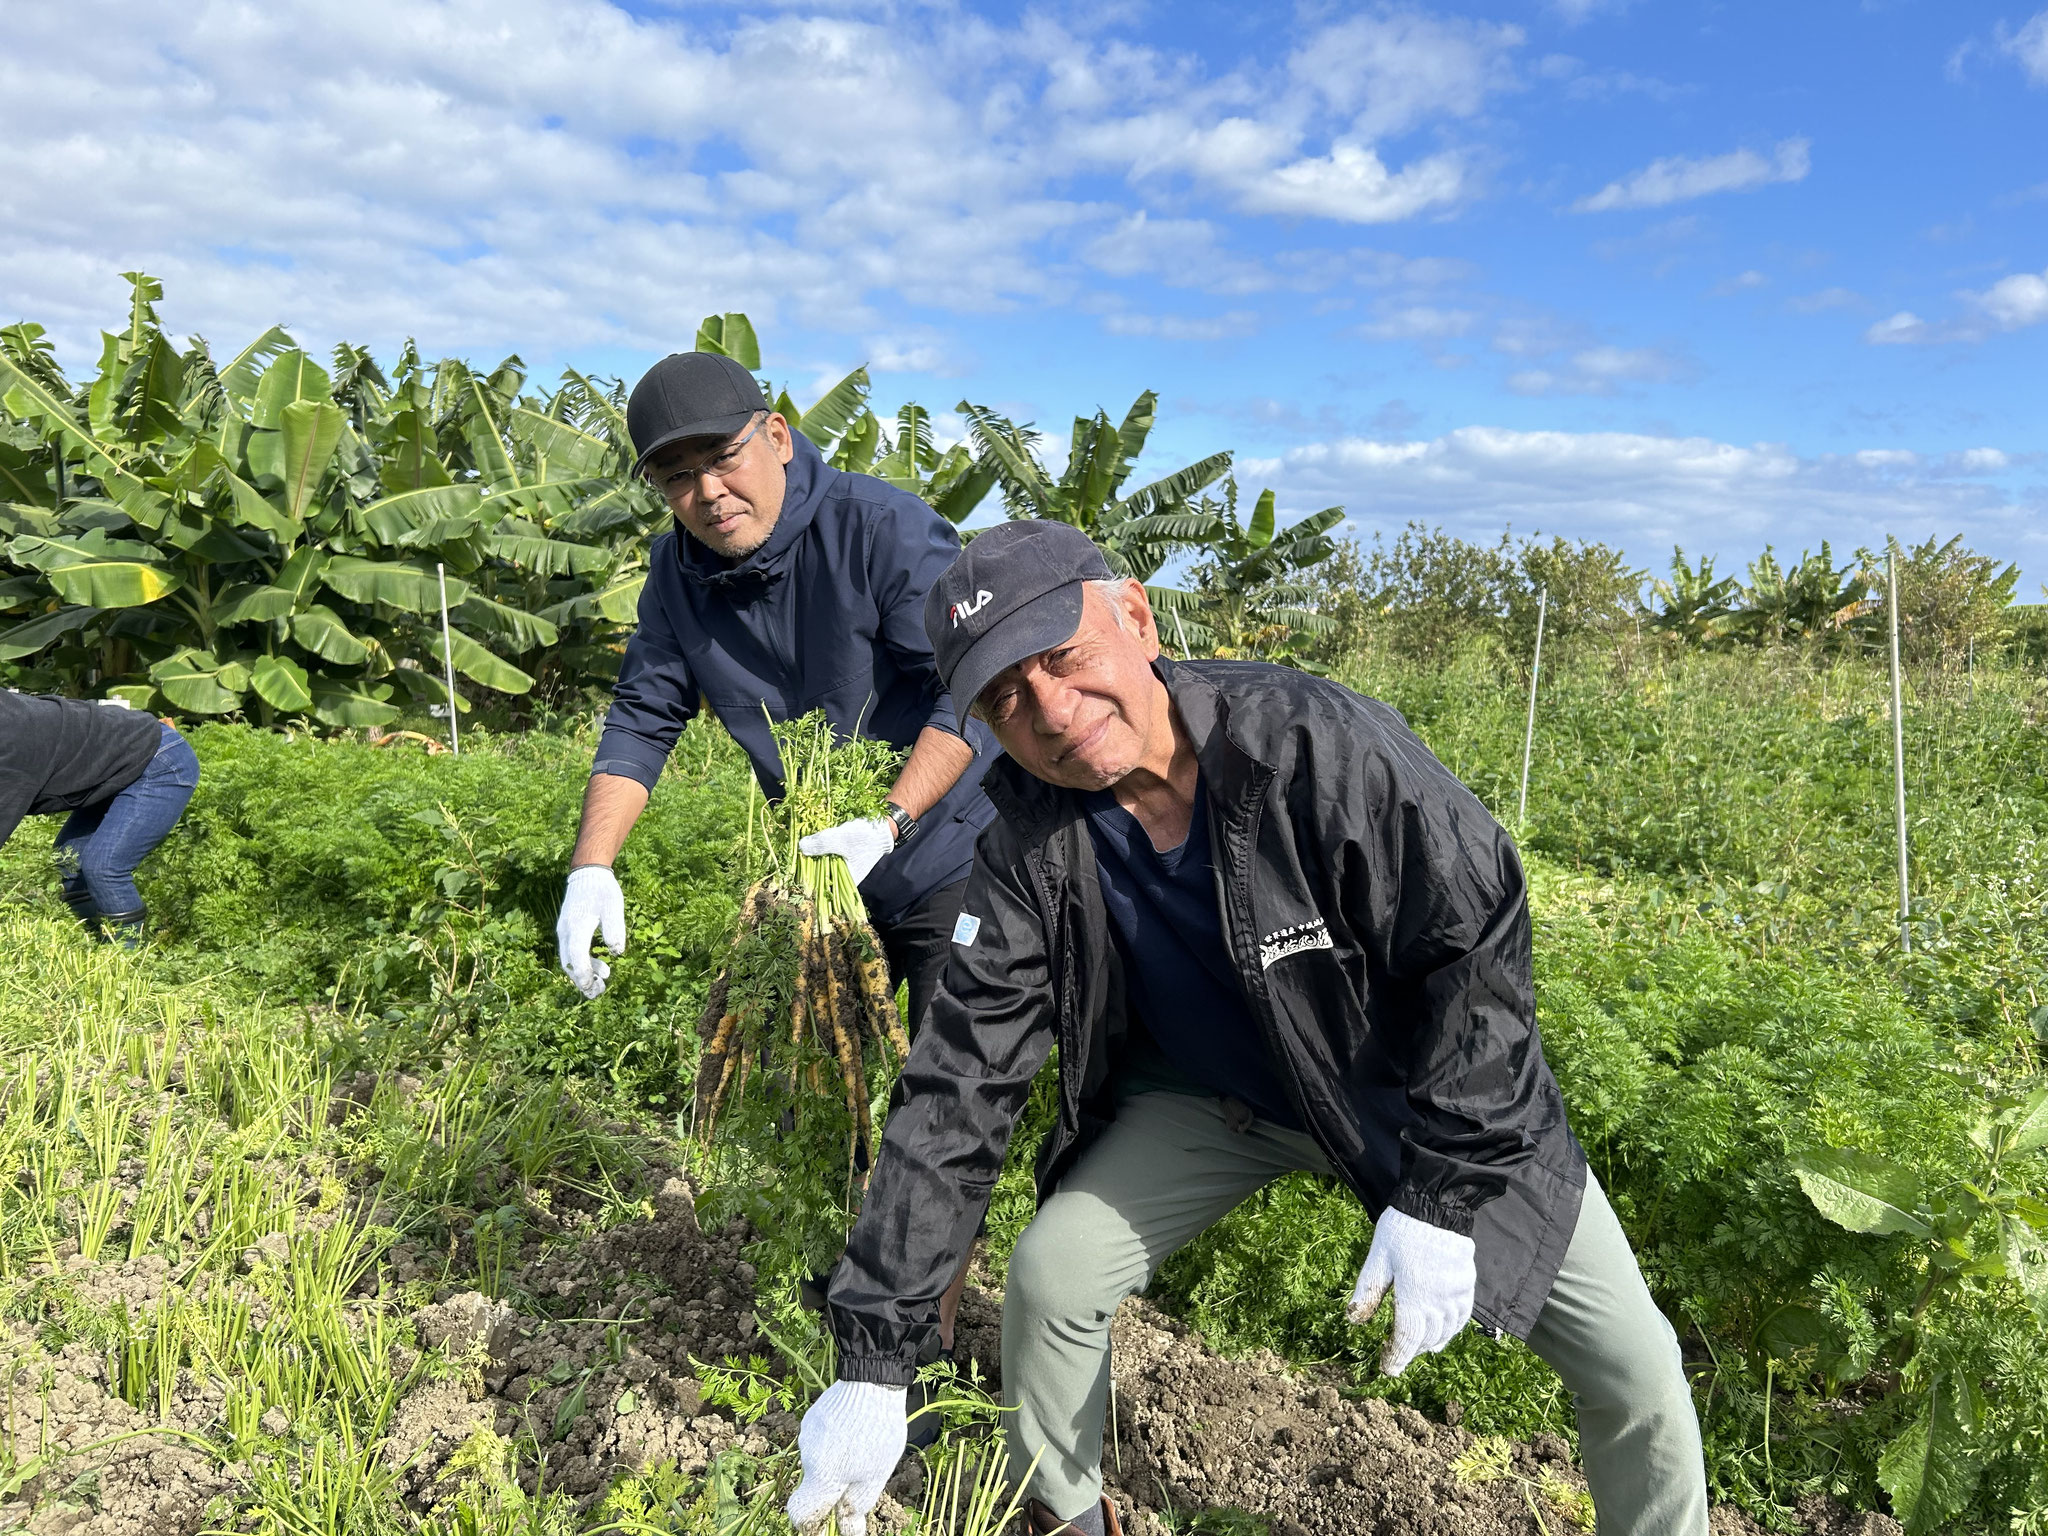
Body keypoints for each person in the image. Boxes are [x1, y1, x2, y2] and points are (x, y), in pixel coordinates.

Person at [785, 521, 1710, 1536]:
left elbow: (1471, 948)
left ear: (1133, 616)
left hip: (1404, 1096)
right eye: (1004, 697)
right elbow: (956, 1083)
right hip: (1209, 1102)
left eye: (1062, 656)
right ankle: (1061, 1516)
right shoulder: (1028, 842)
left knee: (1634, 1371)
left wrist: (1443, 1188)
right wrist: (873, 1363)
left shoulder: (1312, 745)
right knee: (1052, 1277)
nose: (1049, 710)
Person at [551, 348, 999, 1351]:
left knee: (941, 1104)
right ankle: (835, 1264)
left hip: (946, 855)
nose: (707, 493)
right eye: (675, 477)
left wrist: (888, 822)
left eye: (722, 459)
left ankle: (907, 1340)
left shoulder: (878, 530)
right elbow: (642, 715)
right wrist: (591, 866)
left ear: (777, 438)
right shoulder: (676, 573)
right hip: (817, 876)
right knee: (818, 1080)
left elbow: (964, 691)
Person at [0, 692, 201, 944]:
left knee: (103, 867)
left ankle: (124, 962)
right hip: (113, 765)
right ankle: (93, 942)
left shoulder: (10, 752)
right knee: (69, 859)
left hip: (160, 762)